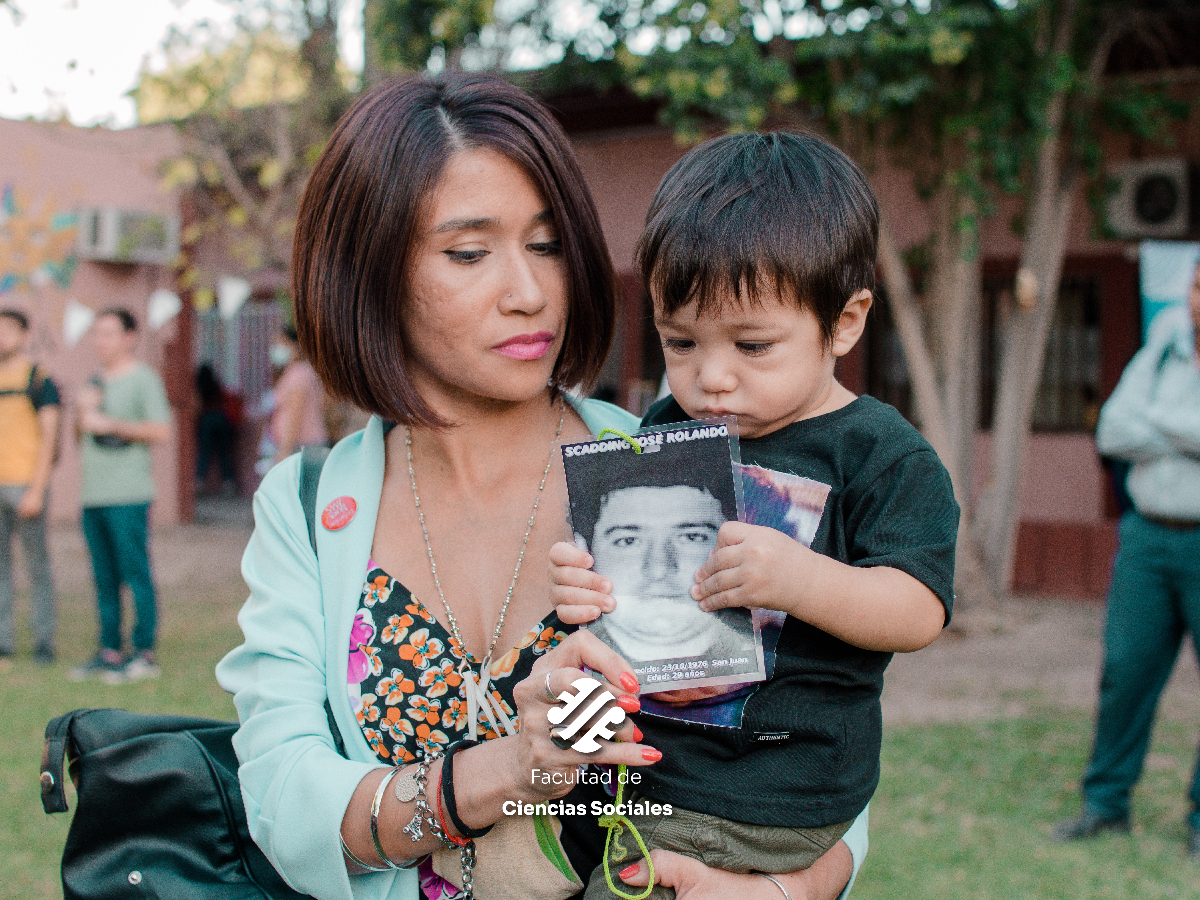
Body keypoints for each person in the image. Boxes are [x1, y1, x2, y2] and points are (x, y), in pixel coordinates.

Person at [215, 75, 868, 900]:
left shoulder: (672, 459)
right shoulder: (308, 505)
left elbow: (818, 731)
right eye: (469, 252)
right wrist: (504, 772)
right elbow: (280, 796)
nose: (529, 293)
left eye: (549, 243)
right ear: (370, 270)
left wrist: (784, 892)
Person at [550, 131, 959, 900]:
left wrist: (801, 579)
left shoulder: (881, 456)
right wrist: (585, 587)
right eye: (681, 341)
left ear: (844, 321)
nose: (712, 377)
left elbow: (918, 611)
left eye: (753, 344)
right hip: (642, 771)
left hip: (774, 793)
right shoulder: (668, 426)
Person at [1052, 259, 1200, 857]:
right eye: (1196, 285)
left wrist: (1156, 426)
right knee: (1125, 674)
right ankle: (1106, 805)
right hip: (1146, 538)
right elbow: (1113, 429)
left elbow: (1138, 425)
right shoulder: (1166, 341)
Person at [569, 444, 756, 668]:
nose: (658, 570)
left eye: (691, 537)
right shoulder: (560, 661)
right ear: (585, 550)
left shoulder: (781, 649)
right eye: (628, 541)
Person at [70, 308, 171, 684]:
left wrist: (111, 423)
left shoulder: (143, 379)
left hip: (128, 493)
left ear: (130, 337)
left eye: (110, 334)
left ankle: (143, 651)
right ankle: (109, 650)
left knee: (135, 572)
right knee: (103, 577)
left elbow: (161, 432)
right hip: (93, 494)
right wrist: (82, 412)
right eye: (97, 333)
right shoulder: (92, 383)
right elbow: (80, 437)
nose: (101, 341)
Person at [0, 308, 61, 667]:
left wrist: (37, 489)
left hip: (26, 484)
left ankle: (43, 642)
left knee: (37, 566)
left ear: (24, 335)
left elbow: (50, 437)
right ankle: (4, 643)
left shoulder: (39, 380)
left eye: (8, 330)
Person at [266, 324, 328, 467]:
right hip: (301, 447)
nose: (276, 348)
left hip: (303, 448)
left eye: (281, 343)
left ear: (295, 346)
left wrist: (284, 451)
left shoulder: (298, 375)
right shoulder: (294, 373)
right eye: (275, 344)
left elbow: (295, 415)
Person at [196, 363, 241, 496]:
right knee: (224, 452)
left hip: (207, 419)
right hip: (222, 419)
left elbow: (197, 405)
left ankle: (199, 482)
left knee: (205, 452)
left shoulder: (200, 386)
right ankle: (229, 483)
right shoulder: (215, 385)